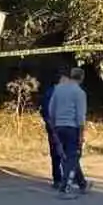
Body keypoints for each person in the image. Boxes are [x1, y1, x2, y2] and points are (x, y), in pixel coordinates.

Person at [47, 67, 89, 195]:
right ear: (81, 78)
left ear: (71, 76)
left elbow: (51, 109)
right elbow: (80, 115)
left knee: (68, 156)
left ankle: (82, 183)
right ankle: (65, 185)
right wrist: (81, 134)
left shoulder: (58, 89)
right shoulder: (79, 92)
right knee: (72, 156)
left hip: (59, 126)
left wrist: (53, 126)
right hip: (72, 128)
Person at [39, 74, 66, 191]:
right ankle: (61, 180)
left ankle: (58, 179)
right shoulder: (53, 94)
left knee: (56, 154)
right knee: (60, 153)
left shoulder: (53, 93)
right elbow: (46, 111)